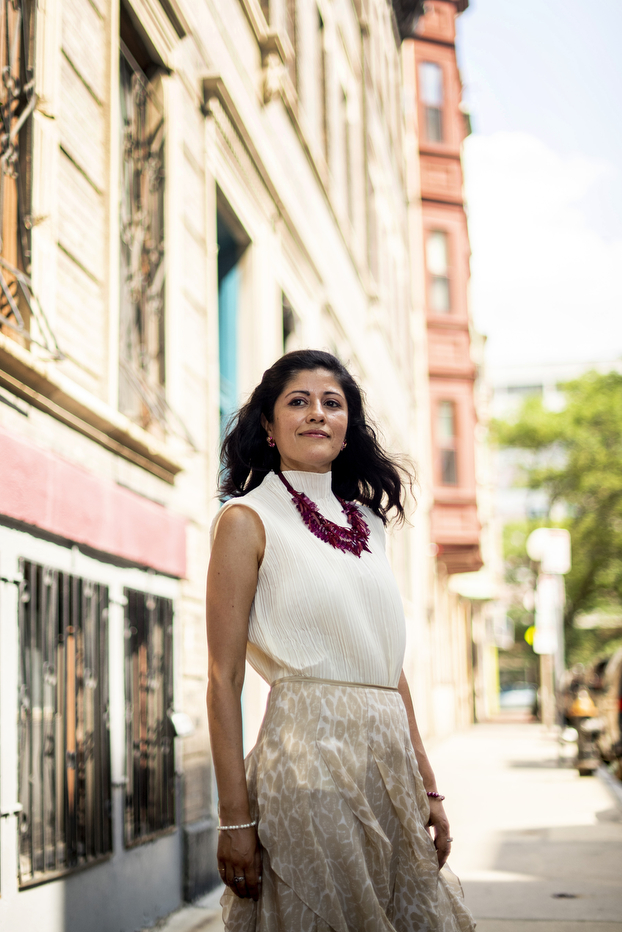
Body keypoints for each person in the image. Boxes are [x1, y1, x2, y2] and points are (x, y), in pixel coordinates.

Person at [206, 349, 474, 932]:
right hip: (307, 765)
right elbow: (222, 680)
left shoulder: (369, 524)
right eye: (297, 402)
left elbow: (387, 665)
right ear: (269, 428)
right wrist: (234, 820)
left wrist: (428, 786)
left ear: (349, 424)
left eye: (333, 403)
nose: (316, 414)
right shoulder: (246, 520)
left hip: (388, 767)